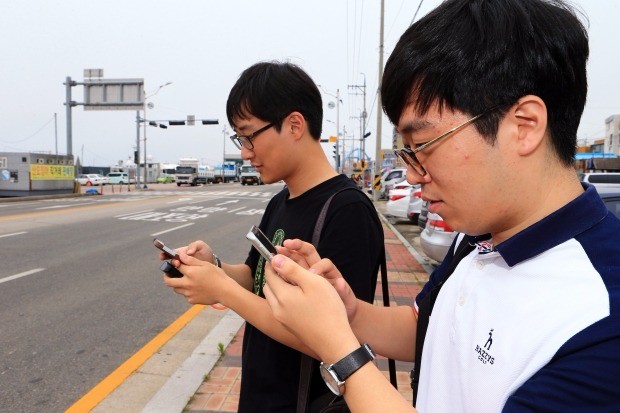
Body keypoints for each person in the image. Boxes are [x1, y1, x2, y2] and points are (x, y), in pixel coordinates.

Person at [262, 0, 620, 412]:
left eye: (422, 146)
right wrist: (349, 311)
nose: (412, 175)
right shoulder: (476, 237)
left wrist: (342, 352)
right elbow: (427, 328)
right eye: (406, 152)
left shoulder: (600, 317)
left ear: (524, 126)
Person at [161, 61, 384, 412]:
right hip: (261, 394)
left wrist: (222, 291)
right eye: (239, 138)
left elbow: (335, 341)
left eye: (249, 136)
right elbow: (256, 277)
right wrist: (215, 267)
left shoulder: (348, 211)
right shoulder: (281, 201)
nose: (245, 152)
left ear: (294, 125)